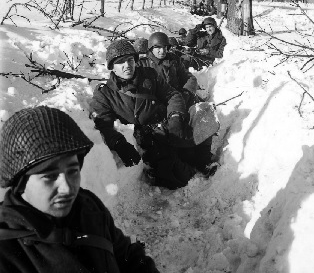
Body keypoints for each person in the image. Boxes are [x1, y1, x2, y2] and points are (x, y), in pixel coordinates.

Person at [0, 106, 160, 273]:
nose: (67, 187)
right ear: (20, 182)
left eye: (72, 171)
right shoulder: (6, 252)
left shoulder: (88, 206)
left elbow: (127, 256)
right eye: (49, 176)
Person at [90, 39, 216, 190]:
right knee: (178, 178)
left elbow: (172, 95)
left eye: (130, 60)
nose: (127, 66)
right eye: (121, 62)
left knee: (202, 118)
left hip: (167, 121)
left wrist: (175, 116)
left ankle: (204, 160)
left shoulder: (149, 76)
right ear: (112, 67)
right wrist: (119, 143)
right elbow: (103, 123)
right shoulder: (105, 93)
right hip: (150, 134)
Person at [139, 32, 199, 109]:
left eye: (165, 47)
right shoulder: (143, 64)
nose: (162, 51)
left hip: (179, 99)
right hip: (157, 105)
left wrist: (186, 93)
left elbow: (189, 77)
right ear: (151, 48)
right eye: (158, 48)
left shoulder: (173, 59)